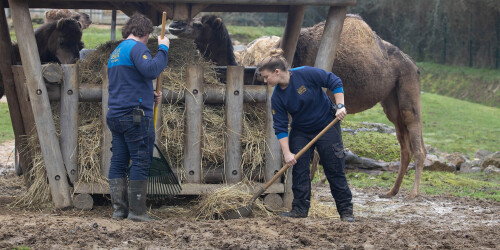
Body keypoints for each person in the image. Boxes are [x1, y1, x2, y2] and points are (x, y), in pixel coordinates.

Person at [258, 49, 354, 222]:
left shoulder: (305, 73)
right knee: (300, 171)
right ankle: (300, 210)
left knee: (334, 169)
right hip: (301, 131)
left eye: (266, 77)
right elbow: (280, 127)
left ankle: (346, 211)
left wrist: (340, 106)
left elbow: (333, 80)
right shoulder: (277, 97)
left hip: (326, 124)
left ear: (277, 72)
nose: (265, 81)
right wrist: (287, 153)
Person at [106, 13, 169, 222]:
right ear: (145, 32)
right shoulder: (137, 47)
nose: (148, 39)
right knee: (141, 160)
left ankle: (119, 211)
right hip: (135, 117)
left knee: (119, 161)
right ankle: (137, 212)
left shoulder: (116, 52)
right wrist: (163, 48)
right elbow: (151, 70)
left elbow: (126, 82)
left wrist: (147, 95)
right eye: (149, 35)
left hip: (116, 115)